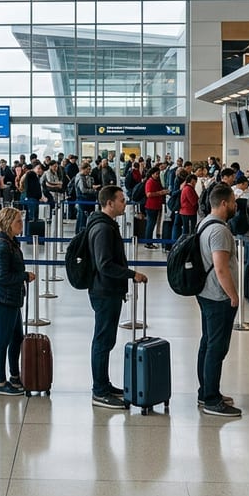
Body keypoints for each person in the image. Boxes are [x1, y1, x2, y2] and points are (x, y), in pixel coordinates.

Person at [86, 186, 148, 409]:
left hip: (107, 291)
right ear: (109, 203)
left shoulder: (104, 225)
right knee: (103, 341)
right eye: (122, 200)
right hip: (105, 291)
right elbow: (105, 264)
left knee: (106, 340)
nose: (125, 203)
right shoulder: (103, 229)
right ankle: (99, 390)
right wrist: (132, 274)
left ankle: (104, 384)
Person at [195, 183, 242, 416]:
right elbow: (221, 268)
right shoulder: (220, 231)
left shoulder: (204, 222)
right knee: (216, 348)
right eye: (233, 202)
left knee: (207, 343)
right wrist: (233, 296)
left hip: (205, 293)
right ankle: (212, 400)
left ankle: (206, 392)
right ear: (224, 203)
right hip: (218, 296)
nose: (235, 206)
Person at [0, 207, 36, 396]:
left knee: (16, 337)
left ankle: (14, 375)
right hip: (3, 298)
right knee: (3, 340)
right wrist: (24, 275)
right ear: (8, 223)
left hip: (12, 298)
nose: (21, 224)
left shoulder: (11, 242)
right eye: (18, 221)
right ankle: (0, 382)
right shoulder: (1, 245)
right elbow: (2, 276)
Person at [141, 166, 167, 248]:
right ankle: (148, 242)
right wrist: (160, 193)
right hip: (151, 206)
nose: (157, 175)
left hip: (156, 205)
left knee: (152, 224)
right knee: (150, 224)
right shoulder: (150, 182)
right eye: (156, 174)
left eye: (158, 174)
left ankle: (149, 241)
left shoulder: (155, 181)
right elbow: (148, 194)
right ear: (152, 174)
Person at [172, 172, 199, 243]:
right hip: (188, 212)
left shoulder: (188, 188)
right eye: (195, 181)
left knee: (187, 229)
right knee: (187, 230)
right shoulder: (188, 189)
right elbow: (193, 201)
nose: (195, 183)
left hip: (187, 211)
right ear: (192, 180)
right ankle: (186, 243)